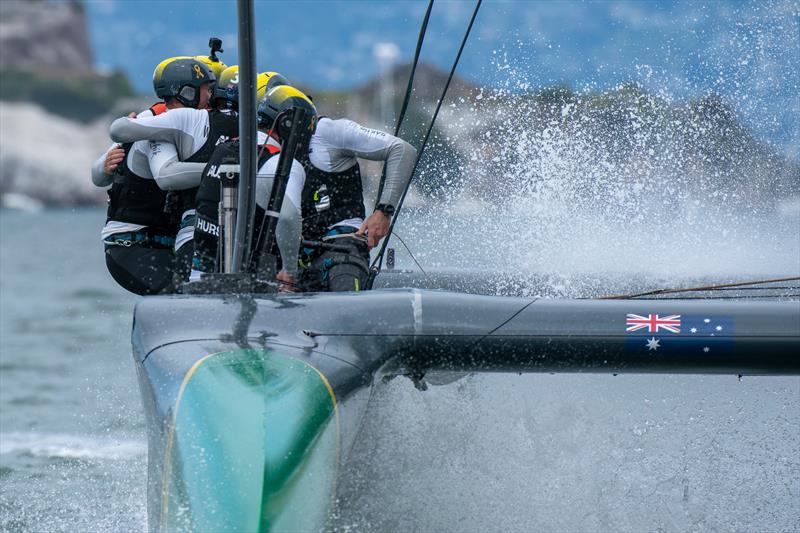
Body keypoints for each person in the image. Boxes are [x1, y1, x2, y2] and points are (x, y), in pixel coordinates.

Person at [108, 60, 241, 288]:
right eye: (208, 90)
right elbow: (166, 177)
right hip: (135, 246)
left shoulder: (189, 124)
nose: (211, 97)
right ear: (188, 92)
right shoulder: (169, 120)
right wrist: (224, 172)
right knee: (184, 295)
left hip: (163, 243)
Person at [191, 84, 315, 292]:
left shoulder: (223, 149)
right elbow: (287, 217)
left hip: (200, 276)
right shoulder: (281, 164)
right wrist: (289, 272)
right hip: (249, 285)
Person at [297, 114, 417, 292]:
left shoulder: (329, 131)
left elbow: (402, 149)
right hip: (298, 254)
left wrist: (383, 212)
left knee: (343, 273)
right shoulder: (260, 148)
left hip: (342, 248)